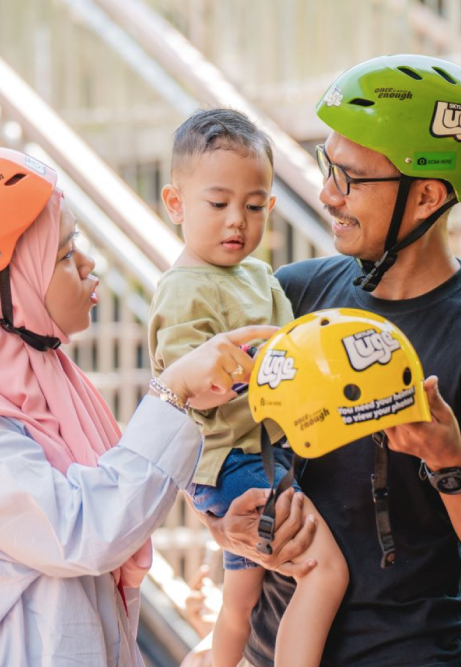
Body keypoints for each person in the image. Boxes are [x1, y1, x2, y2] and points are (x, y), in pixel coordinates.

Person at [0, 147, 314, 666]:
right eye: (64, 253)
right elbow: (82, 529)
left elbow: (123, 484)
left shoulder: (37, 376)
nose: (89, 264)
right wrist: (173, 392)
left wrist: (215, 516)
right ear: (2, 282)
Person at [204, 55, 461, 666]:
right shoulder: (296, 294)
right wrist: (225, 524)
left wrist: (450, 462)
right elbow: (221, 440)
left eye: (351, 178)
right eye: (327, 165)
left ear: (425, 196)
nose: (326, 194)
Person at [148, 109, 348, 667]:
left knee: (242, 596)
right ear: (175, 204)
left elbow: (294, 348)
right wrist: (258, 365)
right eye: (218, 204)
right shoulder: (183, 290)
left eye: (254, 206)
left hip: (266, 451)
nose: (237, 220)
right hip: (230, 460)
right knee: (323, 570)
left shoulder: (262, 277)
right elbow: (190, 385)